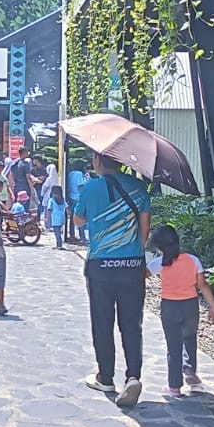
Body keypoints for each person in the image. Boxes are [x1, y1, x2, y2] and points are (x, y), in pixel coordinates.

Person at [73, 151, 151, 408]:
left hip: (101, 267)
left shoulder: (90, 188)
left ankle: (105, 377)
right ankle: (133, 376)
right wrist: (134, 253)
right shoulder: (139, 188)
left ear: (97, 161)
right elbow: (144, 228)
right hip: (132, 266)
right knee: (132, 325)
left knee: (102, 323)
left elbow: (78, 219)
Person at [147, 225, 214, 397]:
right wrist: (213, 307)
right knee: (189, 339)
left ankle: (174, 387)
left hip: (170, 306)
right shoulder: (193, 260)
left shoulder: (158, 263)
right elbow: (203, 285)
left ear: (159, 246)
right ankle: (189, 370)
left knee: (173, 346)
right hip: (190, 305)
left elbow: (141, 275)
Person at [66, 160, 88, 243]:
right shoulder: (79, 174)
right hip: (78, 197)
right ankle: (82, 236)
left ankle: (72, 235)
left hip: (71, 196)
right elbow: (80, 186)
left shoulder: (71, 173)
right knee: (80, 217)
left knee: (72, 218)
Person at [45, 184, 68, 249]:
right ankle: (59, 244)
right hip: (62, 217)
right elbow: (67, 207)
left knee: (57, 232)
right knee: (59, 231)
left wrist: (47, 218)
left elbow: (49, 209)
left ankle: (59, 245)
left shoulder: (51, 200)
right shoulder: (62, 200)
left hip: (55, 218)